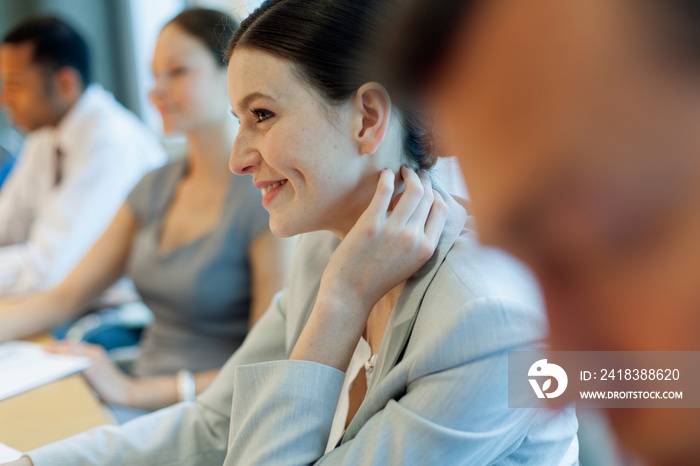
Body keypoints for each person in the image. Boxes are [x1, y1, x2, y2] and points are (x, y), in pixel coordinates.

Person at [2, 1, 577, 464]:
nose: (238, 159)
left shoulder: (484, 321)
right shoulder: (327, 244)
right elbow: (215, 424)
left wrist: (340, 304)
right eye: (239, 122)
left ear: (367, 119)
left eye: (262, 116)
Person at [386, 0, 700, 465]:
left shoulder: (475, 307)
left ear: (368, 121)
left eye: (593, 235)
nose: (565, 387)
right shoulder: (329, 265)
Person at [0, 8, 293, 416]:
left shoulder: (266, 200)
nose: (157, 89)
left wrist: (136, 393)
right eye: (154, 74)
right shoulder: (154, 184)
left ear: (231, 73)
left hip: (201, 410)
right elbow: (67, 294)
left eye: (177, 72)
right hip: (135, 384)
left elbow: (267, 367)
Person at [0, 16, 166, 298]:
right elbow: (8, 226)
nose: (4, 99)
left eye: (15, 85)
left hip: (114, 314)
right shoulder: (45, 134)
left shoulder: (110, 142)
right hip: (64, 306)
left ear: (65, 83)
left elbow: (50, 268)